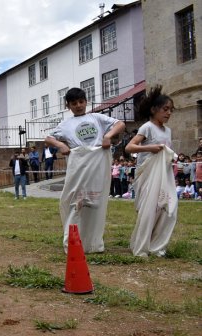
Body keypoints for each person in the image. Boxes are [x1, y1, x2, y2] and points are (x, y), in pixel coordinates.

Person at [45, 87, 126, 254]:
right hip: (79, 167)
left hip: (98, 165)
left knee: (96, 202)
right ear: (68, 106)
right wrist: (61, 144)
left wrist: (107, 136)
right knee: (76, 201)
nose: (78, 106)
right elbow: (48, 138)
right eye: (74, 103)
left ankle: (93, 243)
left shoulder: (96, 118)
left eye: (81, 102)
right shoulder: (65, 124)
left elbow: (120, 124)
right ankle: (73, 241)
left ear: (86, 102)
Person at [124, 85, 177, 257]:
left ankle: (156, 245)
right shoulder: (147, 127)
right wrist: (151, 148)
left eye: (171, 110)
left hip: (164, 175)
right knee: (149, 210)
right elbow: (129, 147)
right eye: (165, 109)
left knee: (166, 207)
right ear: (154, 109)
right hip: (146, 174)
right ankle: (141, 245)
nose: (168, 113)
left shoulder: (168, 130)